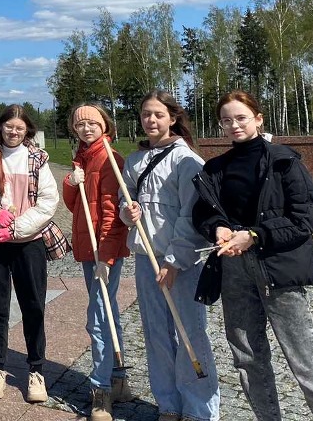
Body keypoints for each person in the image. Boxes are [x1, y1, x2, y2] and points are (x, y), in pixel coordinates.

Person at [192, 90, 313, 421]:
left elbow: (306, 218)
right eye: (226, 120)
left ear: (258, 119)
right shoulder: (216, 168)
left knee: (305, 360)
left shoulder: (284, 160)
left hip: (278, 268)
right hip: (234, 269)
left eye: (241, 118)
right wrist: (217, 228)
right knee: (247, 357)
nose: (234, 125)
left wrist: (254, 236)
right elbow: (204, 212)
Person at [120, 91, 219, 421]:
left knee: (190, 333)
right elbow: (128, 201)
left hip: (181, 261)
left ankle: (198, 409)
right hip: (146, 259)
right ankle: (168, 404)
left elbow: (192, 215)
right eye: (146, 114)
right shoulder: (134, 161)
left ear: (172, 118)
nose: (151, 120)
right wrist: (127, 212)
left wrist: (174, 262)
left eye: (158, 115)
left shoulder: (187, 160)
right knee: (156, 333)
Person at [0, 105, 59, 404]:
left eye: (19, 127)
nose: (13, 132)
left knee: (33, 305)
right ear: (0, 126)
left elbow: (48, 201)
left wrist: (16, 227)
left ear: (27, 130)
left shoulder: (38, 159)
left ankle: (36, 370)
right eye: (8, 126)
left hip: (28, 241)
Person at [62, 103, 131, 421]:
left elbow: (112, 217)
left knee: (98, 317)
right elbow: (74, 204)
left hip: (103, 250)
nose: (86, 128)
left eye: (92, 123)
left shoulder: (110, 160)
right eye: (80, 125)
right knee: (108, 310)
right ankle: (119, 380)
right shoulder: (82, 158)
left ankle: (101, 390)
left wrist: (107, 257)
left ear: (105, 125)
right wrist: (70, 182)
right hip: (88, 248)